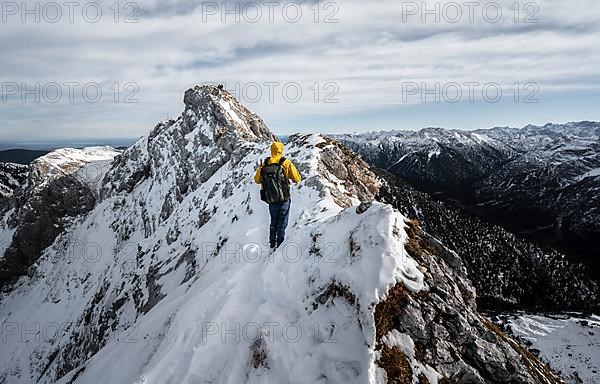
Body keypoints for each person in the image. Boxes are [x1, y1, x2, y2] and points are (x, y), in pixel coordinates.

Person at [254, 142, 301, 249]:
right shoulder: (285, 162)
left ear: (271, 150)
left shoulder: (265, 163)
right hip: (284, 197)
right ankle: (280, 244)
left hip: (271, 198)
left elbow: (257, 180)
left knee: (273, 221)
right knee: (283, 221)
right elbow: (297, 178)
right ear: (281, 150)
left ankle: (272, 243)